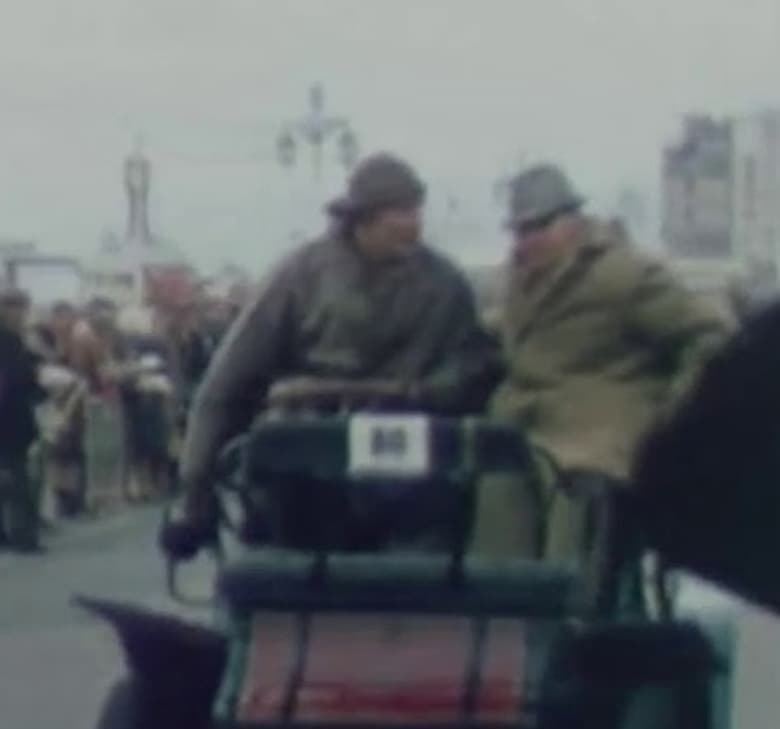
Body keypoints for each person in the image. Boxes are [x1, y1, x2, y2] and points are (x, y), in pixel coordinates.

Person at [163, 151, 502, 553]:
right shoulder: (300, 275)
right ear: (362, 220)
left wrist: (421, 393)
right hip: (307, 468)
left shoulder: (446, 284)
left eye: (415, 210)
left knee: (424, 563)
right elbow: (227, 385)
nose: (414, 223)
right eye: (400, 212)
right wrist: (194, 495)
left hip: (412, 472)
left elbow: (474, 367)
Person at [471, 163, 734, 562]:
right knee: (496, 571)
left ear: (572, 222)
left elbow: (710, 337)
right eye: (519, 231)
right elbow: (509, 336)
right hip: (519, 434)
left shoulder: (624, 274)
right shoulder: (518, 281)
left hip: (592, 445)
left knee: (573, 573)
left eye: (537, 228)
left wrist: (671, 416)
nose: (525, 242)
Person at [0, 289, 46, 551]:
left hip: (9, 417)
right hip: (11, 418)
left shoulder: (15, 339)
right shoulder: (10, 340)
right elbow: (19, 378)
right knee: (18, 480)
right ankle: (24, 536)